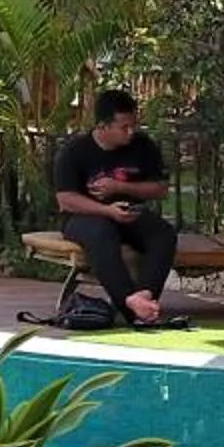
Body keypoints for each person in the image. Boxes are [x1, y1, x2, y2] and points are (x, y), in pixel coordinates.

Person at [52, 88, 178, 328]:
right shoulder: (74, 152)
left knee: (163, 233)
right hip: (84, 216)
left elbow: (160, 189)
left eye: (133, 125)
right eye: (124, 127)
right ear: (103, 126)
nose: (131, 132)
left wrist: (120, 187)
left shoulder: (143, 146)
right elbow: (66, 199)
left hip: (129, 212)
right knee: (102, 232)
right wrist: (107, 210)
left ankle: (145, 296)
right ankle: (129, 302)